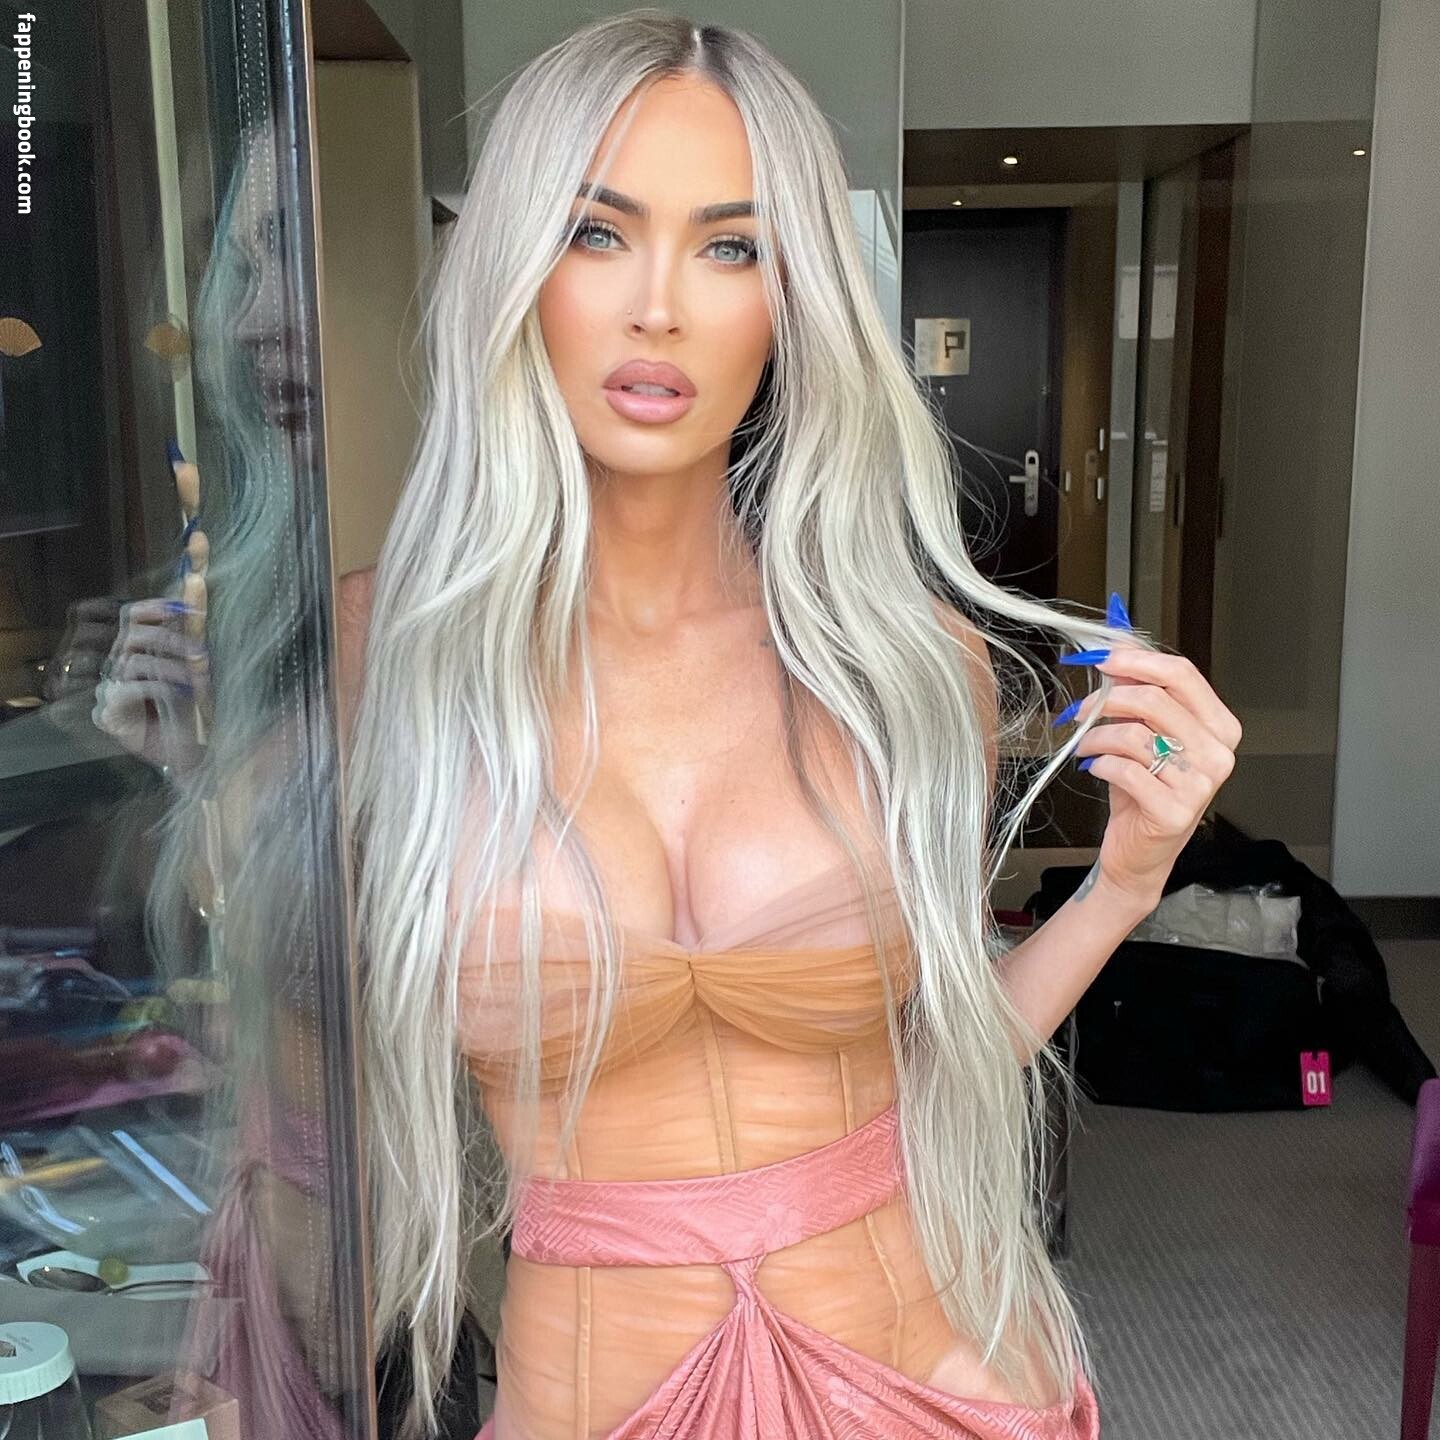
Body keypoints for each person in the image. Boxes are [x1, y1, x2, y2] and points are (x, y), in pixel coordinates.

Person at [342, 10, 1243, 1439]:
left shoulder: (901, 661)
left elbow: (940, 1075)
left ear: (790, 297)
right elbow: (278, 1051)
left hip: (917, 1377)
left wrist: (1124, 886)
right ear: (513, 268)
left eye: (730, 248)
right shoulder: (382, 656)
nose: (658, 308)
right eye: (596, 232)